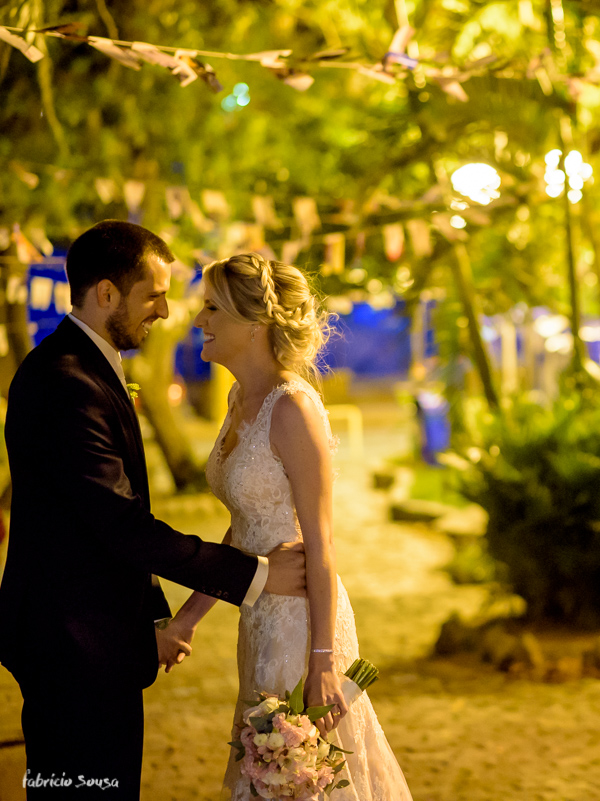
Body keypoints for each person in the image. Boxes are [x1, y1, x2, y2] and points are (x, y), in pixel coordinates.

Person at [0, 221, 308, 799]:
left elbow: (101, 526)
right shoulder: (67, 381)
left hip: (92, 636)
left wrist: (154, 623)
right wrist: (255, 575)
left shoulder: (85, 368)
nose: (167, 312)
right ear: (107, 293)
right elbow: (118, 523)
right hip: (72, 645)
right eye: (154, 295)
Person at [156, 252, 411, 800]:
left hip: (301, 623)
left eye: (211, 308)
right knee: (268, 764)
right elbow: (243, 529)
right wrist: (188, 620)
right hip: (256, 616)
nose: (197, 320)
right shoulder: (237, 399)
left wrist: (323, 663)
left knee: (300, 770)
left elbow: (321, 545)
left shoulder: (293, 408)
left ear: (254, 324)